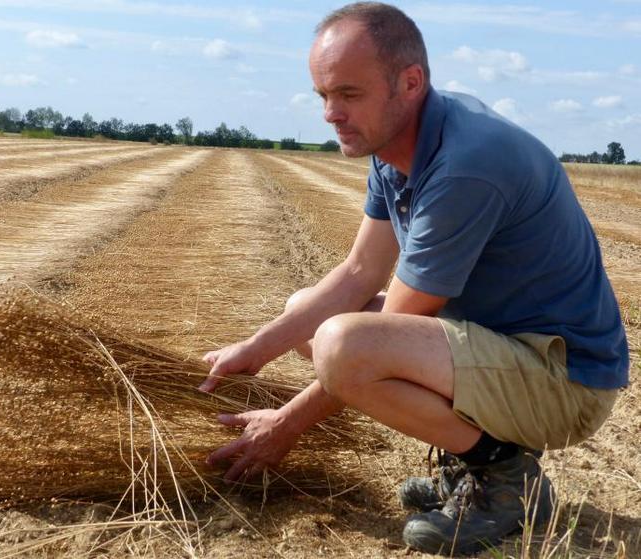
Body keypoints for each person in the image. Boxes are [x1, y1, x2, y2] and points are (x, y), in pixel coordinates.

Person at [198, 2, 629, 555]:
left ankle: (503, 476)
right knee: (310, 311)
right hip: (505, 351)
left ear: (410, 81)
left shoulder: (468, 162)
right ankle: (472, 458)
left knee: (342, 342)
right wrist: (253, 349)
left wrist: (285, 425)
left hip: (565, 382)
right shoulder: (396, 146)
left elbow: (390, 325)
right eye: (323, 96)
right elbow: (357, 273)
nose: (331, 113)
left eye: (349, 94)